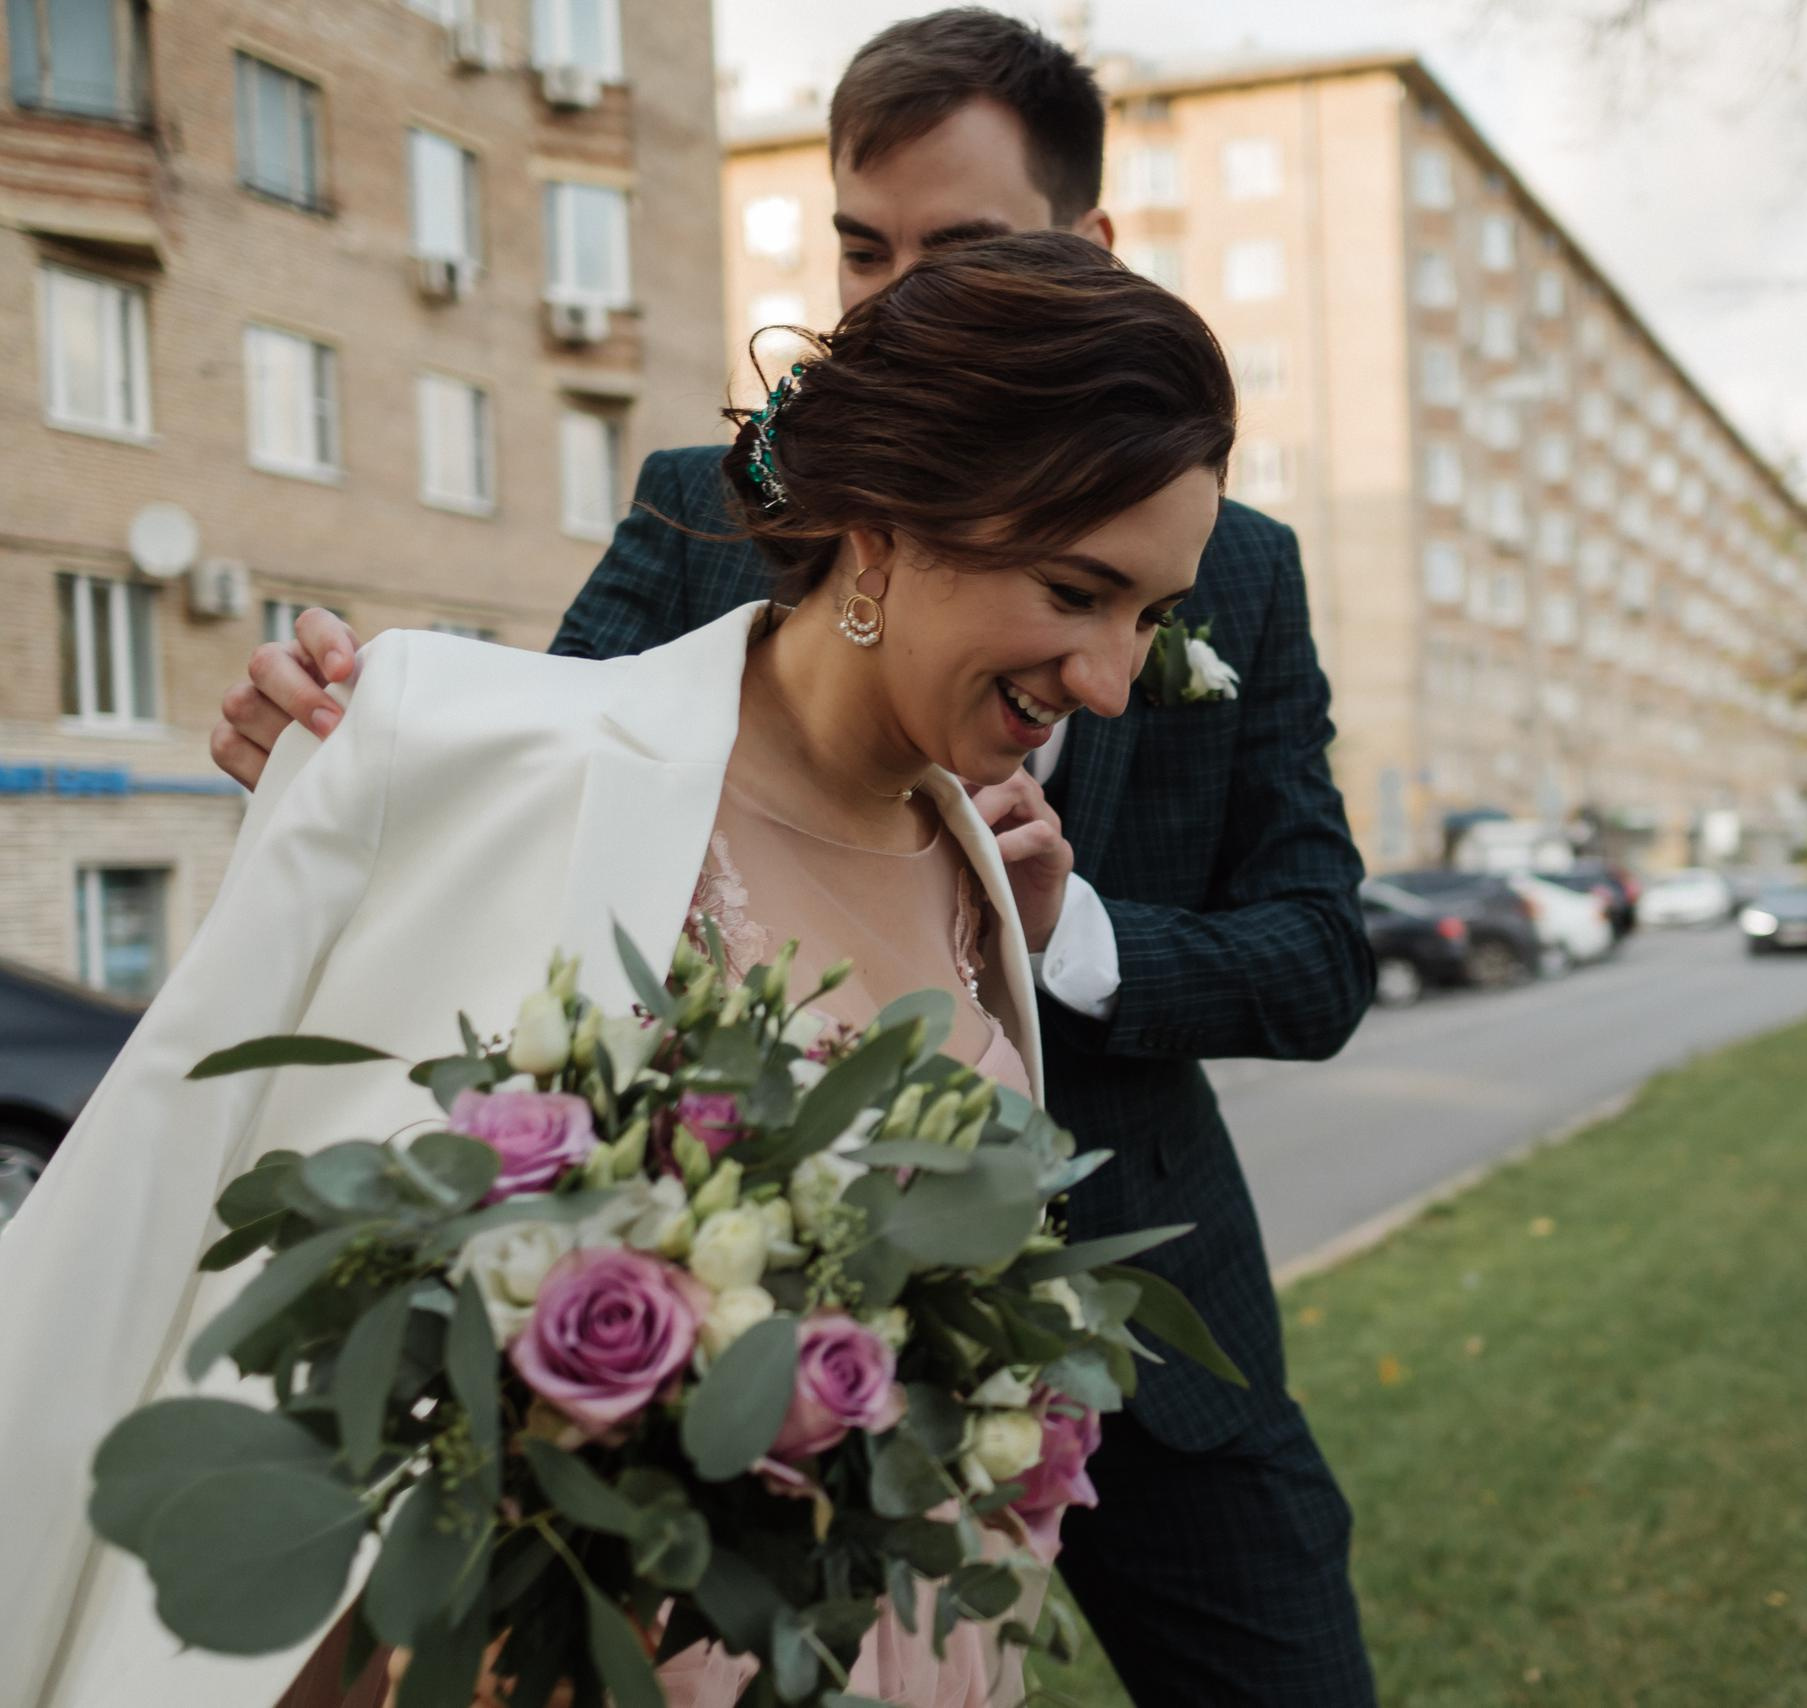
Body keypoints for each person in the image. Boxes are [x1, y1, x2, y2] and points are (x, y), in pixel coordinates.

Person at [207, 13, 1378, 1706]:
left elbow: (1323, 952)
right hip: (736, 1368)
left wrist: (1067, 939)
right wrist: (349, 744)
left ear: (1087, 252)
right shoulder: (714, 500)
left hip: (1140, 1315)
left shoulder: (1229, 562)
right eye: (861, 249)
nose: (896, 304)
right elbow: (532, 752)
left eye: (960, 253)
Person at [0, 234, 1231, 1708]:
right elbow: (167, 1203)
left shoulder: (985, 865)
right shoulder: (492, 752)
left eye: (1150, 618)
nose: (1107, 678)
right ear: (888, 523)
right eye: (1075, 590)